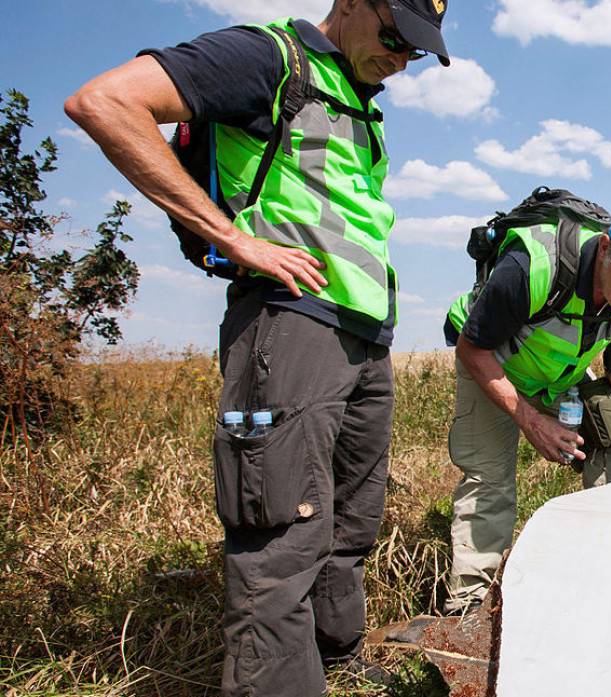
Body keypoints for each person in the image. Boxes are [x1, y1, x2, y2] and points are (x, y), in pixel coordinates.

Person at [65, 1, 450, 693]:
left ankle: (335, 657)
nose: (402, 59)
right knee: (280, 530)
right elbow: (104, 101)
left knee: (348, 517)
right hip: (288, 321)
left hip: (362, 334)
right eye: (395, 37)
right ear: (352, 4)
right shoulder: (269, 59)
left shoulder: (356, 100)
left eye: (416, 52)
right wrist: (232, 236)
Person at [442, 205, 611, 613]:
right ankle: (467, 608)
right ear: (605, 248)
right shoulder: (533, 267)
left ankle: (601, 568)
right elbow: (472, 348)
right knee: (491, 479)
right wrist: (530, 421)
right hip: (492, 362)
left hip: (556, 375)